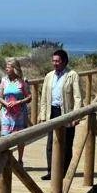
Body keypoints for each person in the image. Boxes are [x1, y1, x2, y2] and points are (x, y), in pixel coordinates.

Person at [38, 48, 81, 180]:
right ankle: (51, 171)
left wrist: (76, 115)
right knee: (51, 143)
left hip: (66, 112)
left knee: (67, 143)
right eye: (53, 61)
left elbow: (78, 97)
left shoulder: (72, 75)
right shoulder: (49, 76)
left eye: (57, 61)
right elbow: (44, 97)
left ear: (64, 62)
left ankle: (65, 171)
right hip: (52, 111)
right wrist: (42, 115)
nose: (55, 63)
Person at [0, 57, 31, 167]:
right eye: (6, 67)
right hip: (7, 114)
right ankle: (5, 160)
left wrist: (18, 102)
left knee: (20, 138)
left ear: (14, 68)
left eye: (9, 67)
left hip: (19, 114)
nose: (6, 69)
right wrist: (5, 103)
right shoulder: (4, 80)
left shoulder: (22, 81)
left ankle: (20, 160)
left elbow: (29, 97)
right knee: (4, 137)